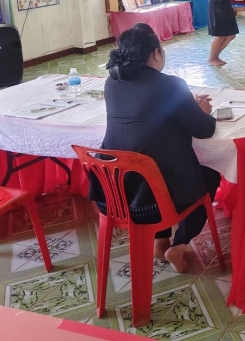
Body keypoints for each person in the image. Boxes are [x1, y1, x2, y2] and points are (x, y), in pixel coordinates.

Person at [90, 23, 221, 273]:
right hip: (153, 199)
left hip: (114, 195)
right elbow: (203, 130)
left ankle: (160, 242)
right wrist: (203, 111)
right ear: (156, 53)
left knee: (154, 165)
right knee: (210, 173)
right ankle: (178, 245)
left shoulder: (112, 83)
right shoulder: (170, 85)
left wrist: (186, 106)